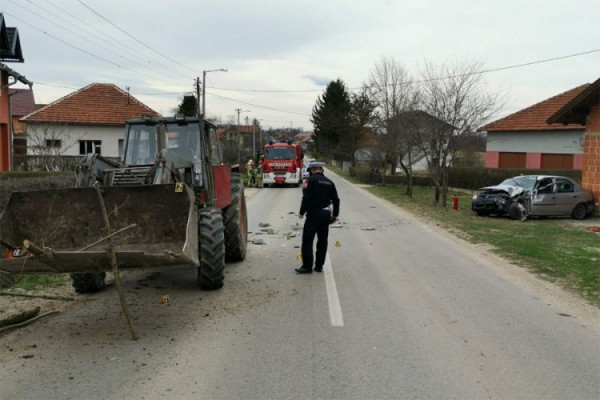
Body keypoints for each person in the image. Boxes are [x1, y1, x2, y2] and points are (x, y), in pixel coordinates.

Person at [295, 162, 340, 274]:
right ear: (322, 170)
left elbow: (306, 198)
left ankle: (307, 266)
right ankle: (319, 266)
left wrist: (301, 212)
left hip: (314, 214)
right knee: (322, 240)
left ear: (311, 170)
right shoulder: (330, 183)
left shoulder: (310, 181)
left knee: (307, 240)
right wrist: (335, 215)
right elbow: (336, 200)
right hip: (326, 214)